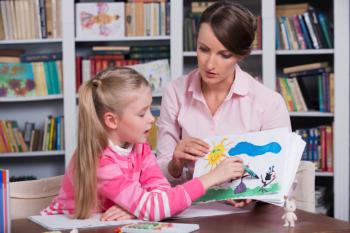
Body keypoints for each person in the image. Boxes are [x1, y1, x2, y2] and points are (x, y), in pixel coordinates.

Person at [40, 67, 246, 221]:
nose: (151, 119)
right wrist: (213, 177)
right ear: (112, 120)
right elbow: (155, 208)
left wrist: (137, 208)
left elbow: (162, 193)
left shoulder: (139, 146)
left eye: (150, 110)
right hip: (60, 226)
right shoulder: (100, 160)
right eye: (141, 113)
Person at [156, 2, 291, 207]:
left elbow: (281, 181)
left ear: (241, 54)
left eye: (224, 55)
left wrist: (250, 193)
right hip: (187, 212)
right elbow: (157, 178)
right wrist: (175, 164)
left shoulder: (269, 103)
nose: (210, 64)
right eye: (203, 49)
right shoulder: (175, 92)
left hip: (245, 219)